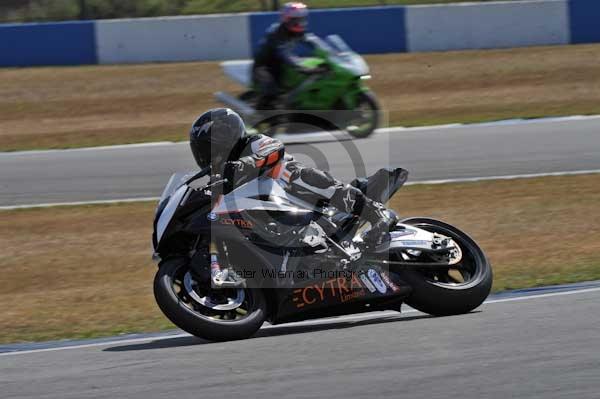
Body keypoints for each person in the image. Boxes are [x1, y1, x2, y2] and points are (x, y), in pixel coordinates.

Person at [189, 108, 398, 247]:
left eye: (210, 147)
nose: (207, 155)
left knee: (289, 172)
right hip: (275, 221)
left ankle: (374, 212)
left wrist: (244, 164)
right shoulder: (221, 177)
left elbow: (275, 149)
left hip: (297, 195)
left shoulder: (252, 142)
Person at [252, 2, 324, 110]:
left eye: (301, 19)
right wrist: (303, 69)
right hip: (264, 66)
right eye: (296, 20)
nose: (300, 23)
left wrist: (328, 52)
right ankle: (258, 115)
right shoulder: (277, 33)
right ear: (287, 19)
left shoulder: (296, 31)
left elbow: (312, 41)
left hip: (281, 64)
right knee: (272, 90)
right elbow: (284, 53)